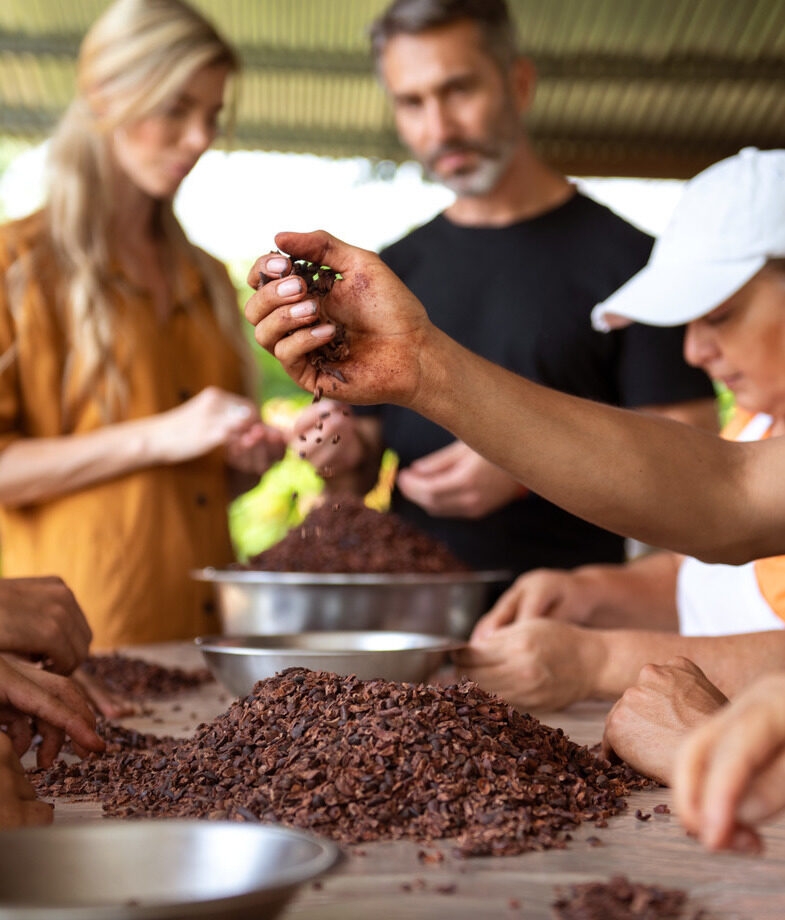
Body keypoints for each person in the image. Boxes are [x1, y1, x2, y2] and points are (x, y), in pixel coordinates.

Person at [289, 0, 716, 585]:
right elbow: (360, 465)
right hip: (410, 630)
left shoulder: (633, 262)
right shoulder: (389, 272)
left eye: (459, 89)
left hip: (570, 631)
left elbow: (698, 471)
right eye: (412, 102)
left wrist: (526, 464)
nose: (439, 128)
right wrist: (342, 451)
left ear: (518, 84)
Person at [0, 0, 285, 650]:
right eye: (175, 109)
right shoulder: (14, 266)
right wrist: (160, 436)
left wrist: (246, 463)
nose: (198, 138)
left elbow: (199, 486)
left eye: (211, 115)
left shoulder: (211, 280)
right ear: (103, 95)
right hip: (79, 658)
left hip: (206, 647)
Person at [456, 148, 785, 710]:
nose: (694, 350)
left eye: (721, 315)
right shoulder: (754, 423)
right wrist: (589, 594)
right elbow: (704, 586)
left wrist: (598, 660)